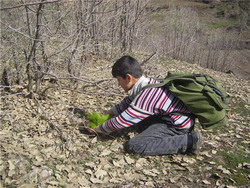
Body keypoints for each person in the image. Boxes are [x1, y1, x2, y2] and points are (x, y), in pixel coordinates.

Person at [86, 55, 202, 156]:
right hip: (172, 117)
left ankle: (188, 141)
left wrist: (98, 129)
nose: (118, 84)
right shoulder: (147, 83)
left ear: (128, 77)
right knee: (137, 124)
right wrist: (108, 113)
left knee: (134, 145)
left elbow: (121, 121)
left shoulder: (148, 95)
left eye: (119, 80)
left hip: (177, 126)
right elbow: (127, 103)